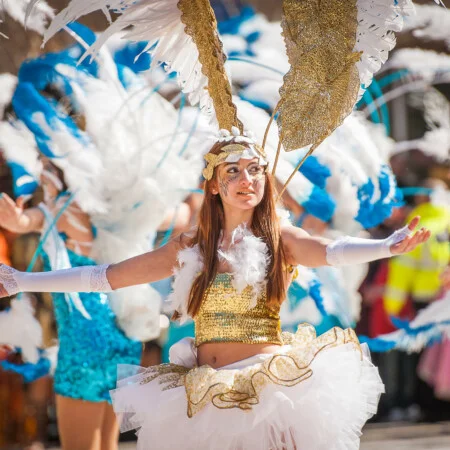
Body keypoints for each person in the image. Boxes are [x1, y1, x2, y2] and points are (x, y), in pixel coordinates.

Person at [0, 134, 431, 449]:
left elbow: (330, 251)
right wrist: (22, 280)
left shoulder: (279, 236)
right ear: (212, 184)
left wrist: (384, 246)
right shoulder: (192, 246)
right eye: (234, 171)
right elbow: (104, 276)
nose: (248, 179)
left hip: (270, 393)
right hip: (204, 396)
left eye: (255, 170)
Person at [0, 158, 142, 450]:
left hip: (83, 344)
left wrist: (20, 221)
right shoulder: (105, 210)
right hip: (125, 338)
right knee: (107, 444)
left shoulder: (65, 209)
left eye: (47, 166)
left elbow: (35, 219)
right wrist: (20, 221)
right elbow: (30, 220)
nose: (41, 174)